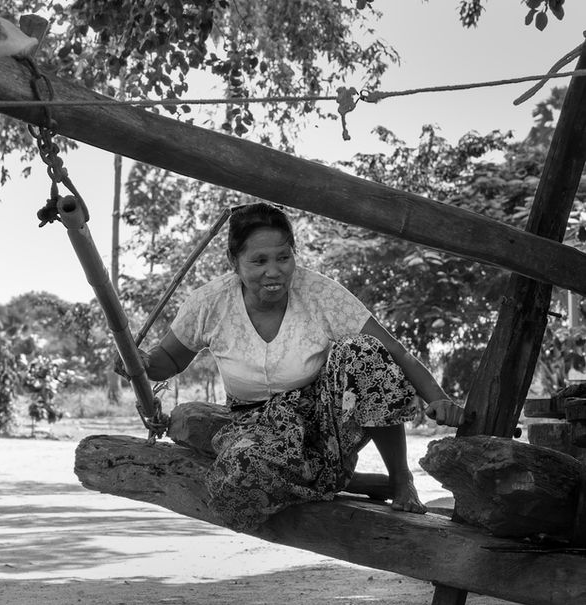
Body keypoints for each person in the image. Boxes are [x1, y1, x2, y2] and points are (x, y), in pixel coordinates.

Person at [127, 202, 467, 531]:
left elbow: (393, 351)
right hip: (255, 424)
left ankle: (399, 478)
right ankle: (343, 479)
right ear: (234, 261)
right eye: (258, 260)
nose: (273, 271)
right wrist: (138, 362)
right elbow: (168, 360)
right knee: (238, 479)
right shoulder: (209, 302)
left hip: (323, 418)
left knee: (365, 352)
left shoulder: (320, 292)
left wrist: (438, 398)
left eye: (283, 258)